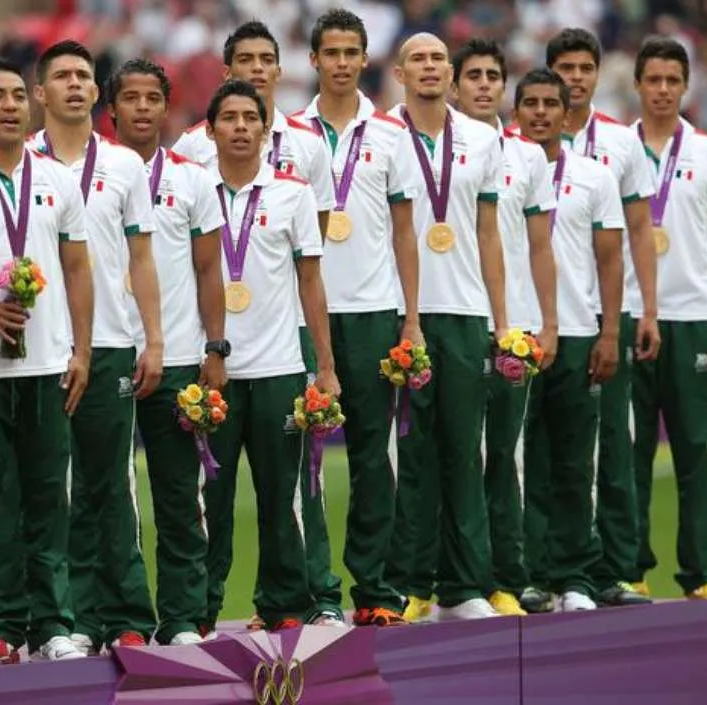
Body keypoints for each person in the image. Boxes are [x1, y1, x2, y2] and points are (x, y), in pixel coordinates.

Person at [172, 19, 344, 629]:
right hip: (210, 363)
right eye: (229, 118)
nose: (240, 126)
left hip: (277, 365)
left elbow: (311, 277)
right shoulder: (188, 178)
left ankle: (287, 605)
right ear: (211, 126)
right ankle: (200, 610)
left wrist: (323, 365)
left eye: (250, 119)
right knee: (209, 500)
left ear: (265, 126)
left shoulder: (293, 189)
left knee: (284, 498)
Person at [0, 57, 94, 662]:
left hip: (45, 364)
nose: (11, 106)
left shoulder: (59, 180)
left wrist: (82, 350)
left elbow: (78, 268)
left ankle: (55, 622)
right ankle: (2, 623)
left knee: (47, 498)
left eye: (17, 95)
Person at [29, 40, 162, 654]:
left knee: (111, 485)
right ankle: (72, 619)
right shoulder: (22, 161)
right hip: (41, 348)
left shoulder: (125, 166)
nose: (76, 85)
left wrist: (153, 339)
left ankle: (130, 615)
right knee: (56, 491)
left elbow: (141, 257)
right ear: (41, 92)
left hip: (109, 340)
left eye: (85, 75)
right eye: (63, 76)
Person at [298, 7, 421, 628]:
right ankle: (308, 594)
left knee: (374, 455)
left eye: (352, 52)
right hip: (305, 316)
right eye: (332, 53)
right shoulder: (289, 134)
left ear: (365, 58)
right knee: (301, 460)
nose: (342, 63)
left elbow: (405, 233)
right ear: (313, 59)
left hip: (373, 311)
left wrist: (411, 318)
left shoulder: (392, 134)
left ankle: (374, 588)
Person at [384, 32, 508, 622]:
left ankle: (466, 585)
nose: (430, 67)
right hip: (402, 311)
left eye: (439, 59)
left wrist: (501, 320)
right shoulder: (380, 136)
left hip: (463, 311)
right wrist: (405, 316)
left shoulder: (485, 138)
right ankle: (410, 583)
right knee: (412, 452)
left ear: (450, 73)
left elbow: (489, 232)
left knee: (464, 450)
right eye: (419, 59)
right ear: (399, 71)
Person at [108, 57, 227, 645]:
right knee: (109, 495)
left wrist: (214, 348)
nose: (142, 107)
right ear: (113, 109)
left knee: (180, 495)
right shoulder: (89, 175)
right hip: (107, 353)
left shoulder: (193, 179)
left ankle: (181, 616)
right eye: (130, 97)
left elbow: (210, 271)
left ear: (166, 105)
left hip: (178, 354)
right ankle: (123, 617)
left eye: (152, 97)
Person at [543, 28, 658, 608]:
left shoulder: (619, 142)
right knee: (546, 452)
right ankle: (543, 569)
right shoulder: (518, 142)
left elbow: (638, 230)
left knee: (614, 448)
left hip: (609, 309)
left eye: (586, 67)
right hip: (542, 320)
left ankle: (617, 569)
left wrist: (644, 310)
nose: (577, 77)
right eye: (566, 67)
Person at [451, 38, 558, 617]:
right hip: (454, 319)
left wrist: (549, 321)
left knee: (505, 456)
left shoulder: (529, 157)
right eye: (474, 75)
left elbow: (541, 246)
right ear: (455, 84)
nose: (484, 84)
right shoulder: (430, 146)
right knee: (454, 453)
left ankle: (508, 578)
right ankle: (454, 577)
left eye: (493, 75)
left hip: (512, 326)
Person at [516, 67, 624, 612]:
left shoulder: (595, 176)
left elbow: (610, 259)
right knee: (521, 461)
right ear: (517, 114)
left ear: (566, 113)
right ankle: (530, 574)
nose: (539, 112)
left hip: (580, 332)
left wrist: (610, 332)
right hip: (518, 335)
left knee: (575, 461)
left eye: (549, 104)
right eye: (530, 103)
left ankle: (575, 576)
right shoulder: (505, 170)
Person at [631, 37, 707, 600]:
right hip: (630, 316)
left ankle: (703, 574)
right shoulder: (614, 150)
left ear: (685, 85)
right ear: (639, 84)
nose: (664, 90)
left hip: (695, 314)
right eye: (654, 80)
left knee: (697, 451)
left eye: (673, 80)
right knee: (629, 452)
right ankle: (629, 569)